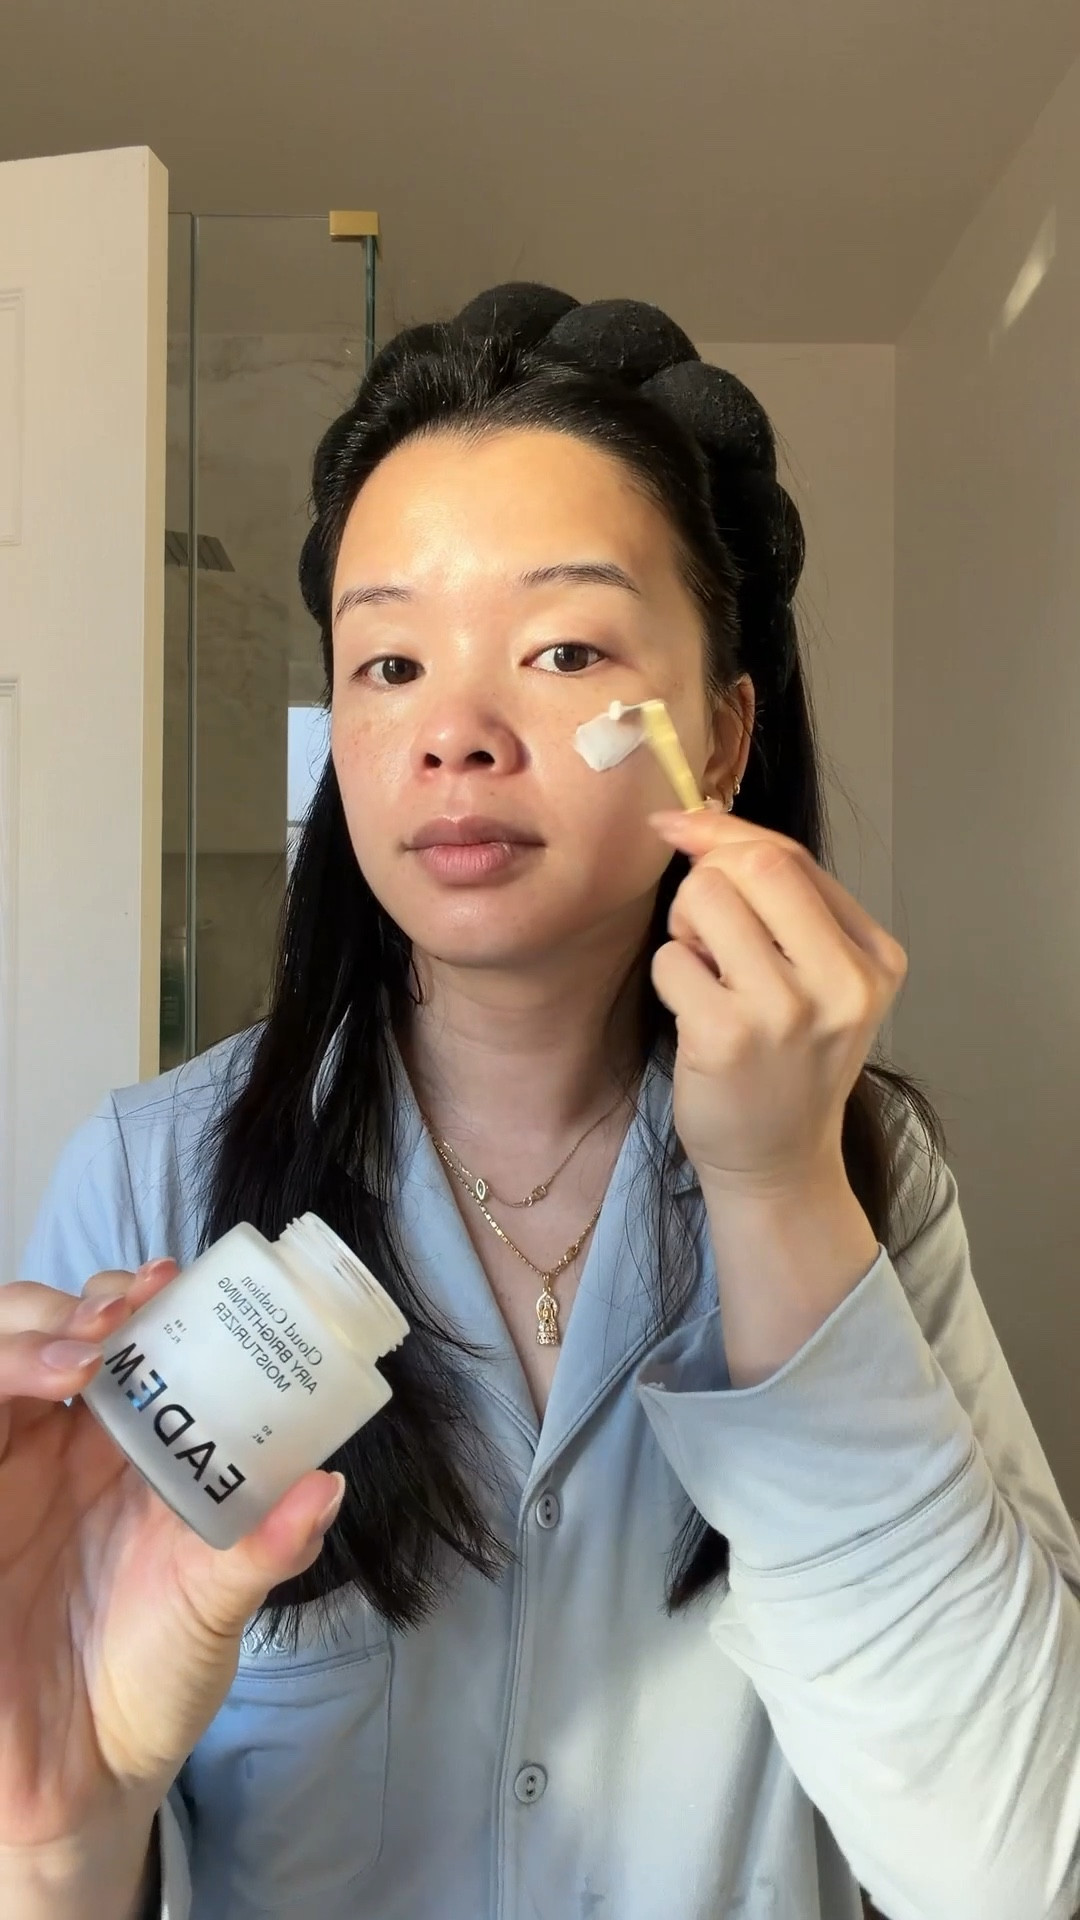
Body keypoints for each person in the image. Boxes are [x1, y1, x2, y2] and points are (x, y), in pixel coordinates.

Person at [3, 283, 1078, 1920]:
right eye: (388, 662)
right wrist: (56, 1839)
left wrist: (779, 1190)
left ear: (721, 737)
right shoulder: (154, 1180)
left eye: (565, 649)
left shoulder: (868, 1169)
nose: (453, 733)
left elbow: (1010, 1870)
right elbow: (69, 1826)